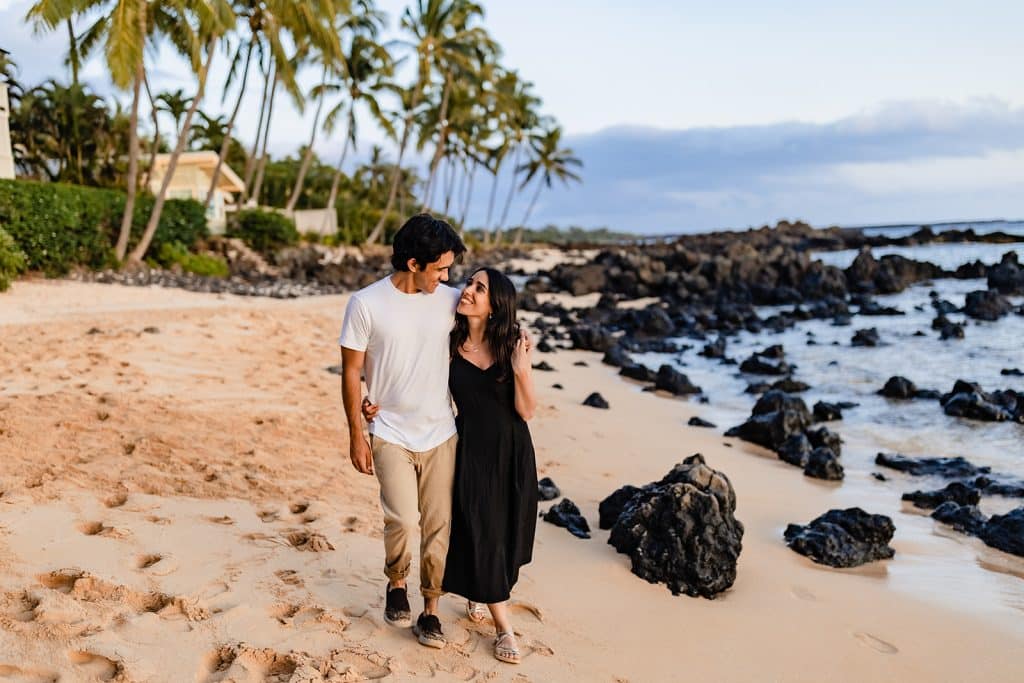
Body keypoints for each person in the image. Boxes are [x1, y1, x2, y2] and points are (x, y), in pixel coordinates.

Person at [365, 267, 539, 665]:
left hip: (509, 452)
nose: (469, 291)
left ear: (495, 307)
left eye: (481, 289)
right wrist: (377, 403)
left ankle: (482, 594)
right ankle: (504, 628)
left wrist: (521, 369)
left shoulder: (511, 344)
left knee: (500, 532)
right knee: (475, 527)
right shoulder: (450, 343)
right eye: (471, 283)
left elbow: (526, 411)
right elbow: (413, 380)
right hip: (465, 447)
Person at [338, 213, 465, 649]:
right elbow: (351, 372)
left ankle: (430, 609)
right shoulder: (366, 304)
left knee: (438, 525)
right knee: (403, 520)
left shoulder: (451, 301)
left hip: (440, 433)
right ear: (414, 263)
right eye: (440, 269)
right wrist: (357, 432)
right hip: (389, 430)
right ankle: (396, 583)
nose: (447, 277)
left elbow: (493, 318)